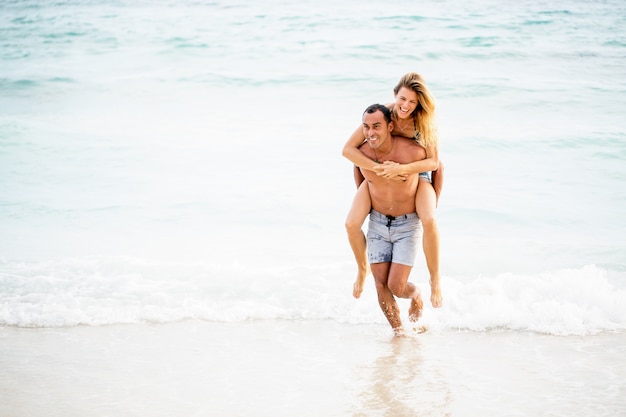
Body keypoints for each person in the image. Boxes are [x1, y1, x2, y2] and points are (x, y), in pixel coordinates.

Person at [343, 72, 443, 310]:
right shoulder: (384, 114)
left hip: (416, 173)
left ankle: (435, 280)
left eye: (412, 102)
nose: (406, 106)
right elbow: (348, 150)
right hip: (381, 174)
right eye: (402, 99)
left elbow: (434, 162)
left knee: (428, 218)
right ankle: (361, 269)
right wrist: (378, 169)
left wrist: (404, 169)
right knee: (351, 224)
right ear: (395, 95)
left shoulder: (423, 123)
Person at [356, 103, 426, 336]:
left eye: (376, 126)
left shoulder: (412, 151)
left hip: (407, 224)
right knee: (380, 283)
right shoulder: (362, 153)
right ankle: (400, 333)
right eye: (366, 127)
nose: (370, 132)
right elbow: (359, 173)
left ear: (390, 126)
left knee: (396, 285)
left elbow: (437, 167)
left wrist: (430, 208)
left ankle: (416, 294)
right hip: (377, 222)